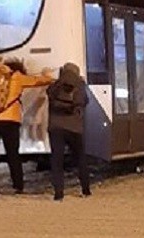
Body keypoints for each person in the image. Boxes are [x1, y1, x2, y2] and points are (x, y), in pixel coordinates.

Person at [0, 59, 53, 198]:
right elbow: (38, 81)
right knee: (13, 154)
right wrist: (48, 75)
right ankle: (18, 185)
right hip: (9, 120)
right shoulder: (17, 77)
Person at [46, 62, 90, 201]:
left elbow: (49, 95)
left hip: (56, 128)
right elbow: (84, 102)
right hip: (74, 128)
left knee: (57, 160)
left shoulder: (55, 86)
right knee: (80, 159)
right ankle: (85, 189)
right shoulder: (80, 85)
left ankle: (58, 193)